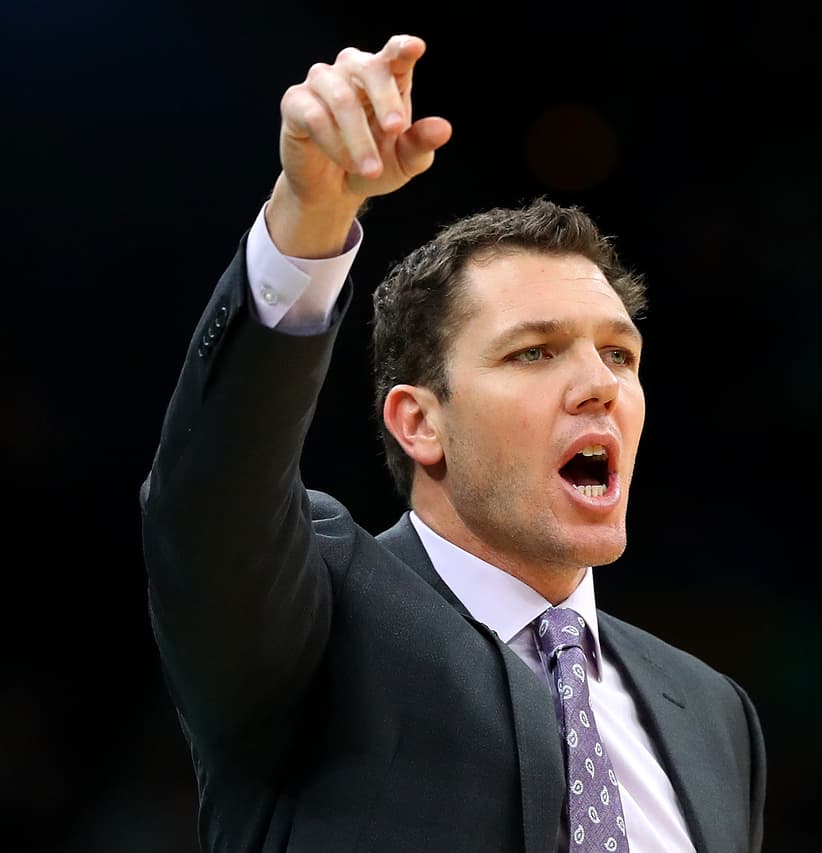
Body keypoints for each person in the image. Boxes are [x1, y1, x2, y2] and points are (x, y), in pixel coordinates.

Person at [138, 33, 765, 852]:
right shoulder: (316, 619)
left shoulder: (714, 711)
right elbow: (211, 500)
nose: (600, 384)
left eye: (619, 353)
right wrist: (310, 216)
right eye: (533, 351)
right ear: (419, 421)